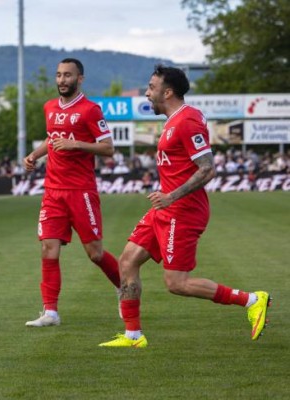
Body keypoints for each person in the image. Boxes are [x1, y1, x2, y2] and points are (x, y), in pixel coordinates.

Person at [99, 65, 270, 348]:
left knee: (177, 283)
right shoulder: (173, 120)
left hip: (183, 211)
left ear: (167, 92)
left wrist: (171, 196)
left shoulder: (187, 121)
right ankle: (133, 336)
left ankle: (252, 300)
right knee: (127, 261)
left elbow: (207, 169)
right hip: (165, 209)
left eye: (151, 88)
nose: (146, 92)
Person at [23, 58, 121, 327]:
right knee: (48, 248)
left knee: (95, 254)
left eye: (68, 75)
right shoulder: (50, 107)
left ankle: (124, 287)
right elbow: (52, 138)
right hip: (53, 191)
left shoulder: (90, 110)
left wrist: (76, 144)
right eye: (58, 75)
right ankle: (50, 312)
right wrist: (34, 155)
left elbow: (108, 147)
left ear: (80, 79)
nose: (62, 80)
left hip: (81, 192)